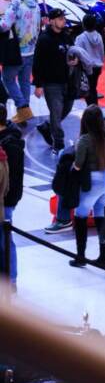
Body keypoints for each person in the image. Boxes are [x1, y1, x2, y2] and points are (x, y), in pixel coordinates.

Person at [68, 105, 105, 268]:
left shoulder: (84, 140)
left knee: (81, 215)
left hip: (91, 179)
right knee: (101, 215)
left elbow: (78, 165)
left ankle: (81, 256)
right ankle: (104, 257)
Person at [2, 0, 42, 124]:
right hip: (31, 49)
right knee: (25, 81)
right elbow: (38, 26)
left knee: (7, 79)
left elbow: (5, 25)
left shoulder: (15, 4)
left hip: (16, 50)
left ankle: (23, 107)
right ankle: (23, 114)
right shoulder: (35, 5)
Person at [32, 8, 73, 152]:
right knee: (56, 112)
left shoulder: (66, 36)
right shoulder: (44, 39)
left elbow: (72, 52)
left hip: (67, 81)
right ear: (51, 21)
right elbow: (37, 62)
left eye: (64, 18)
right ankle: (59, 143)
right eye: (60, 18)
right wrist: (38, 84)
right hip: (51, 83)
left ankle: (47, 126)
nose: (64, 21)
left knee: (67, 108)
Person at [0, 107, 23, 284]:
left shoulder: (10, 144)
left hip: (6, 200)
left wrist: (8, 199)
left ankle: (12, 280)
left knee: (5, 240)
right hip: (6, 197)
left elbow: (13, 177)